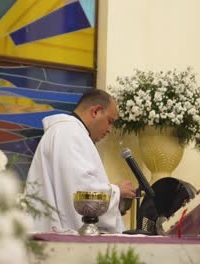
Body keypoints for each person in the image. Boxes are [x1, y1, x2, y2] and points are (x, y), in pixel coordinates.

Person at [26, 89, 136, 233]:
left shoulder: (70, 132)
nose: (110, 129)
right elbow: (78, 191)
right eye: (110, 121)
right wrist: (117, 191)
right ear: (95, 111)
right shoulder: (69, 133)